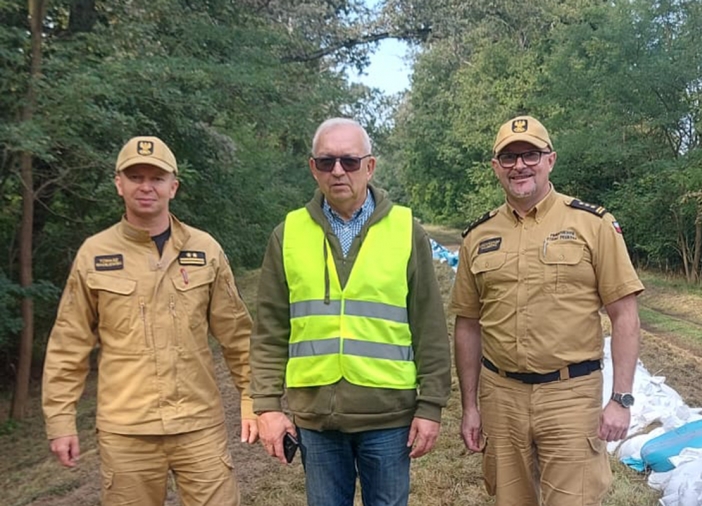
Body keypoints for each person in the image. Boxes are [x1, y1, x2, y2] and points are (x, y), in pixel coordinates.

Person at [42, 136, 258, 506]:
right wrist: (60, 421)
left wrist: (253, 399)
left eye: (156, 178)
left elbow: (238, 335)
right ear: (118, 184)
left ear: (173, 186)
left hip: (198, 424)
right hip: (126, 431)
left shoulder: (204, 250)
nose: (146, 186)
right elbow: (69, 343)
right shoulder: (95, 254)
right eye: (135, 176)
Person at [250, 118, 451, 506]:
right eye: (326, 162)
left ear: (370, 166)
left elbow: (428, 325)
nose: (338, 171)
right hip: (317, 421)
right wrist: (267, 406)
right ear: (313, 168)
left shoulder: (406, 230)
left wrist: (431, 406)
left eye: (350, 161)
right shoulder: (287, 234)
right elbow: (269, 330)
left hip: (388, 419)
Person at [450, 115, 645, 505]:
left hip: (570, 394)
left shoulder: (593, 225)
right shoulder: (478, 236)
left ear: (550, 160)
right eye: (508, 157)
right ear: (496, 168)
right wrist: (470, 407)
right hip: (501, 395)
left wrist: (621, 399)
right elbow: (467, 325)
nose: (519, 165)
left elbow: (625, 315)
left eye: (530, 154)